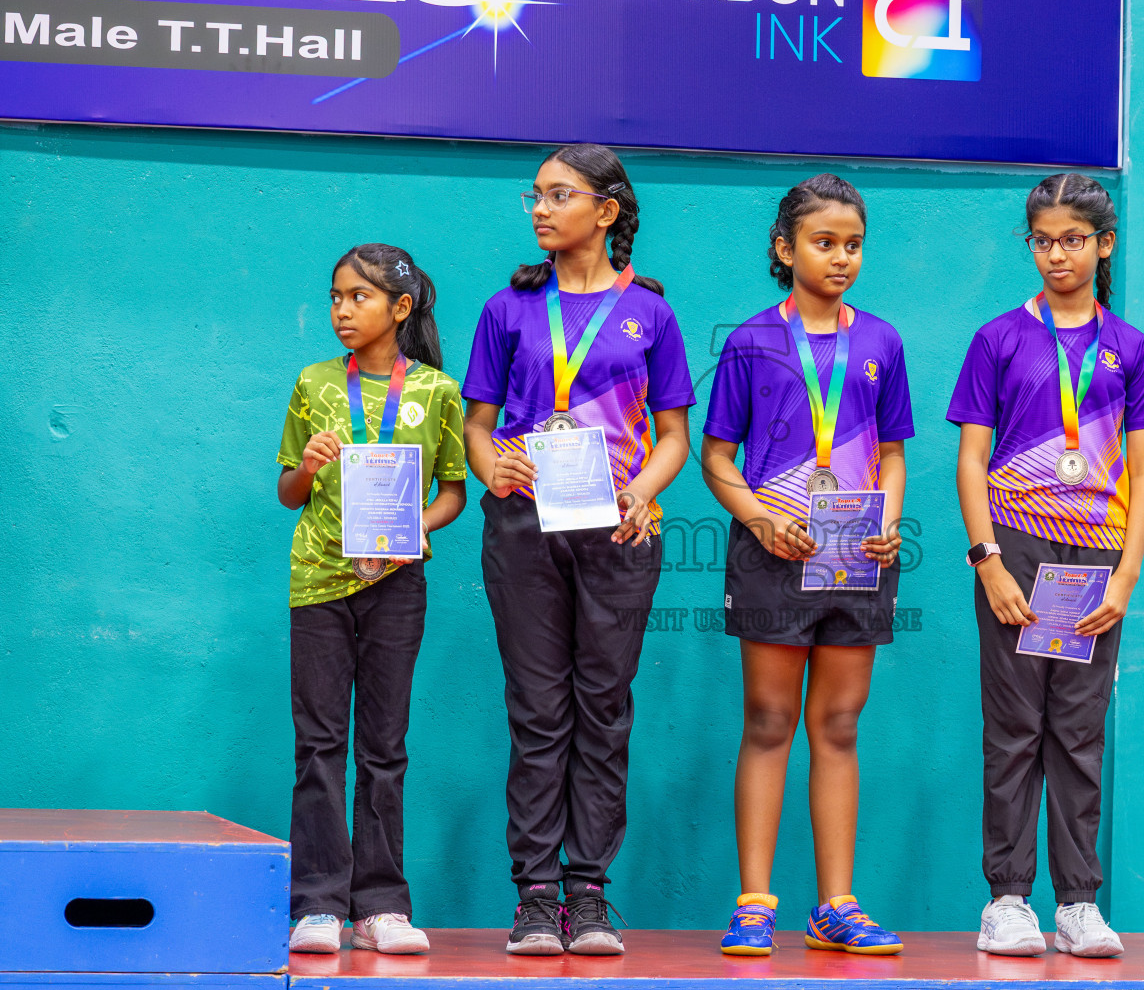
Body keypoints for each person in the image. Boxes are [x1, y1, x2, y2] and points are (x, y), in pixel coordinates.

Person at [462, 143, 695, 957]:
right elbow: (477, 425)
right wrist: (492, 465)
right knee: (538, 710)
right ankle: (533, 895)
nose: (538, 209)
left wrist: (642, 490)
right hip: (523, 527)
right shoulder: (507, 310)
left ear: (606, 212)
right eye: (533, 196)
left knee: (604, 707)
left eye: (557, 196)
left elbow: (673, 437)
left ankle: (589, 892)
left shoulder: (652, 314)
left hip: (619, 531)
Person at [948, 174, 1144, 958]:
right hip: (1017, 545)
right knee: (1013, 729)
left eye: (1073, 240)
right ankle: (1007, 900)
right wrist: (988, 562)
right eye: (1042, 241)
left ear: (1103, 243)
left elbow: (1143, 473)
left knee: (1077, 732)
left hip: (1096, 558)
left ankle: (1078, 904)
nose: (1056, 255)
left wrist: (1126, 574)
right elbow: (971, 460)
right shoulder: (999, 339)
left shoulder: (1130, 348)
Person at [702, 174, 912, 957]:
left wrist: (885, 521)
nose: (841, 258)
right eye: (825, 243)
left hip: (856, 555)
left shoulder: (882, 342)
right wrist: (762, 517)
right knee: (767, 722)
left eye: (853, 245)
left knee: (839, 724)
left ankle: (836, 905)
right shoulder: (752, 341)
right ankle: (755, 901)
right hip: (772, 552)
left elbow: (892, 456)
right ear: (785, 249)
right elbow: (716, 459)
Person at [278, 244, 468, 956]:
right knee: (320, 743)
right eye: (334, 297)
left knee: (385, 749)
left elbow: (454, 490)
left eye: (358, 297)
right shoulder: (313, 383)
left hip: (397, 585)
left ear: (401, 307)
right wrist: (309, 466)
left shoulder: (437, 393)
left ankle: (382, 904)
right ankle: (319, 901)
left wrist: (417, 525)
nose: (341, 310)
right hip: (318, 584)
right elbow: (287, 493)